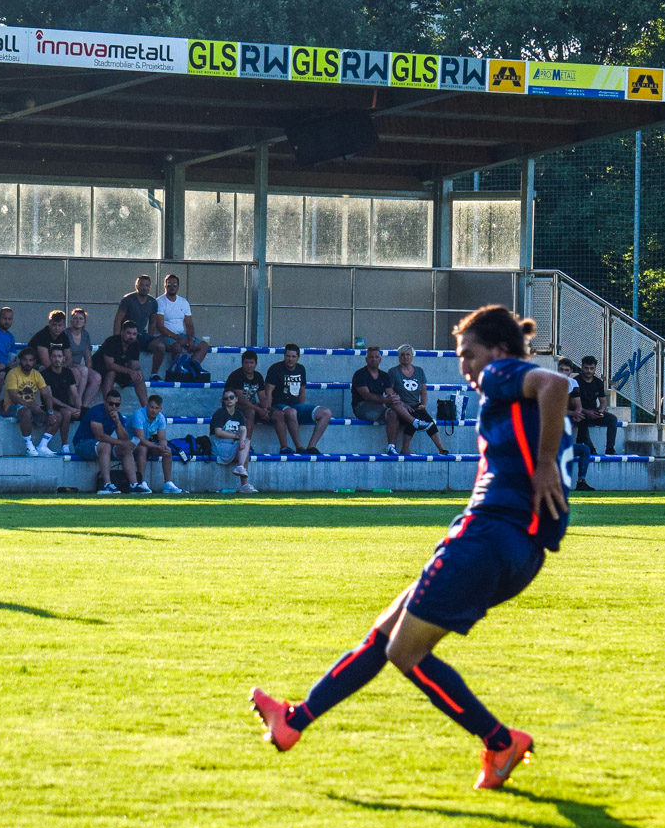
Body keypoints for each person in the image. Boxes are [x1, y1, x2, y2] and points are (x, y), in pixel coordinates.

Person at [249, 305, 574, 791]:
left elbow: (556, 383)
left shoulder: (503, 374)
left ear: (499, 351)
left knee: (405, 651)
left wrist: (544, 463)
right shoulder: (516, 400)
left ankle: (501, 741)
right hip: (516, 547)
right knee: (385, 633)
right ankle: (294, 721)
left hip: (488, 536)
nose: (464, 367)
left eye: (469, 355)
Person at [265, 343, 332, 454]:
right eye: (288, 356)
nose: (290, 359)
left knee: (326, 412)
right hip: (279, 404)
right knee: (291, 412)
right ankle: (299, 447)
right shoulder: (275, 369)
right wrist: (268, 409)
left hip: (295, 405)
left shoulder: (301, 369)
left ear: (298, 357)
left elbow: (302, 391)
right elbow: (268, 391)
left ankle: (311, 446)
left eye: (293, 356)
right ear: (284, 356)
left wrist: (302, 408)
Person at [72, 389, 140, 495]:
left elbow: (124, 438)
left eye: (117, 405)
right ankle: (107, 484)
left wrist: (118, 422)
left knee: (125, 449)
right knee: (106, 446)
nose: (113, 407)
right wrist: (122, 443)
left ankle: (134, 485)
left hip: (99, 446)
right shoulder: (96, 412)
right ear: (105, 402)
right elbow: (99, 436)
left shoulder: (118, 415)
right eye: (111, 403)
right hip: (82, 444)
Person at [389, 345, 449, 455]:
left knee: (429, 421)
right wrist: (402, 404)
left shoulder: (419, 371)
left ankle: (441, 448)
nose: (405, 357)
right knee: (414, 418)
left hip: (416, 404)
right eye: (402, 355)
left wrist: (424, 404)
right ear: (398, 357)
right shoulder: (393, 372)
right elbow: (390, 391)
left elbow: (424, 391)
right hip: (401, 406)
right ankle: (405, 448)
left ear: (412, 356)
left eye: (408, 354)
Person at [2, 347, 59, 458]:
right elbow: (14, 397)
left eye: (30, 360)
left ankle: (42, 446)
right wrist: (33, 408)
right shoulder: (12, 373)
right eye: (25, 360)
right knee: (26, 411)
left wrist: (50, 412)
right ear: (20, 360)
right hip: (12, 407)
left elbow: (47, 395)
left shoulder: (36, 374)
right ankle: (29, 446)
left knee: (58, 416)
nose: (27, 363)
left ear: (34, 362)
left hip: (31, 407)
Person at [150, 273, 208, 376]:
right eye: (169, 284)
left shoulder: (183, 302)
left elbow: (189, 325)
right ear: (165, 286)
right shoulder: (159, 302)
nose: (172, 287)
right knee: (176, 347)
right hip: (164, 336)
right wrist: (177, 338)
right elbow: (160, 327)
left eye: (175, 285)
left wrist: (191, 339)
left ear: (178, 286)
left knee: (204, 346)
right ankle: (179, 373)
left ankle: (193, 366)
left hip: (181, 335)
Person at [351, 342, 403, 454]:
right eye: (371, 357)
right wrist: (386, 400)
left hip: (379, 406)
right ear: (366, 359)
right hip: (362, 406)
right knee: (396, 410)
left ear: (380, 359)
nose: (374, 359)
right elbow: (366, 396)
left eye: (376, 357)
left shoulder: (384, 375)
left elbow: (390, 393)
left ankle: (391, 446)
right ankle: (413, 420)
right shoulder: (359, 374)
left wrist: (395, 400)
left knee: (393, 413)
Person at [128, 393, 183, 493]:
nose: (153, 410)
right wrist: (157, 447)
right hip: (130, 444)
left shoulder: (161, 418)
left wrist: (163, 446)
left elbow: (162, 438)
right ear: (147, 406)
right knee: (143, 448)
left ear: (160, 409)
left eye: (156, 408)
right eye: (151, 407)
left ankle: (168, 483)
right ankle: (142, 482)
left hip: (146, 443)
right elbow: (140, 439)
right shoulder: (138, 415)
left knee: (167, 451)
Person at [556, 358, 595, 491]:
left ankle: (581, 481)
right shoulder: (551, 383)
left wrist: (576, 414)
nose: (563, 372)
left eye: (566, 370)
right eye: (561, 369)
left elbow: (578, 406)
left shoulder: (573, 383)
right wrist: (573, 414)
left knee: (584, 449)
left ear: (571, 371)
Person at [91, 321, 149, 408]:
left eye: (134, 334)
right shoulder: (111, 341)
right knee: (111, 373)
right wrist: (130, 371)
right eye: (128, 333)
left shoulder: (135, 343)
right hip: (100, 369)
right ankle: (108, 406)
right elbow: (109, 365)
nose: (131, 336)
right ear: (122, 332)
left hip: (119, 369)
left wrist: (137, 371)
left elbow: (134, 364)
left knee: (138, 376)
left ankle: (146, 408)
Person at [211, 388, 257, 493]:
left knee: (246, 443)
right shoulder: (219, 413)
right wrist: (237, 438)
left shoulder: (239, 414)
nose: (229, 400)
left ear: (236, 399)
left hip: (232, 444)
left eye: (231, 397)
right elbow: (218, 432)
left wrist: (242, 440)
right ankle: (244, 483)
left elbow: (243, 430)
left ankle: (240, 468)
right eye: (226, 398)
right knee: (245, 451)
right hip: (220, 444)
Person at [573, 355, 620, 454]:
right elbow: (573, 403)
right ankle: (591, 449)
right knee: (582, 419)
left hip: (594, 411)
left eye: (591, 368)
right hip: (580, 411)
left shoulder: (598, 382)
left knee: (612, 419)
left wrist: (601, 411)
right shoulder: (575, 381)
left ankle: (610, 448)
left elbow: (603, 401)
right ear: (582, 368)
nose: (589, 371)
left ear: (595, 369)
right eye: (586, 368)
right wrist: (587, 412)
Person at [223, 349, 272, 436]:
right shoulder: (236, 375)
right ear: (242, 363)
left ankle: (285, 444)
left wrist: (265, 409)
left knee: (278, 414)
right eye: (246, 363)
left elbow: (263, 397)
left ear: (256, 364)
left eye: (251, 363)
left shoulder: (258, 376)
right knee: (250, 412)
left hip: (252, 406)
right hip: (233, 406)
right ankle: (246, 441)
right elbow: (241, 399)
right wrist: (259, 410)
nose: (249, 366)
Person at [42, 344, 82, 443]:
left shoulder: (68, 372)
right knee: (65, 413)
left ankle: (64, 446)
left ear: (64, 358)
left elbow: (75, 394)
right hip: (48, 406)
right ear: (50, 358)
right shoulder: (45, 373)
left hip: (64, 405)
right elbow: (49, 398)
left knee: (82, 414)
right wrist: (70, 408)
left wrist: (78, 409)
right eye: (54, 356)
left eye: (59, 356)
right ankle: (62, 444)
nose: (57, 359)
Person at [64, 308, 102, 405]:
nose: (78, 321)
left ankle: (84, 406)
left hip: (78, 365)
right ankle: (77, 402)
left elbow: (88, 356)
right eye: (75, 318)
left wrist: (89, 369)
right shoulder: (65, 333)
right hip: (66, 364)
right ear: (71, 320)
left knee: (96, 377)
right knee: (81, 371)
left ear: (84, 322)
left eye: (81, 318)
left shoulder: (85, 335)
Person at [113, 273, 158, 342]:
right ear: (136, 286)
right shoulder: (127, 300)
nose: (144, 288)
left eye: (146, 285)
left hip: (142, 334)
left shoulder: (153, 302)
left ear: (150, 287)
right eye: (141, 285)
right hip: (127, 334)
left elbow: (152, 323)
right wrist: (116, 339)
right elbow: (118, 320)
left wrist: (150, 339)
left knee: (159, 346)